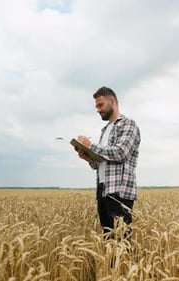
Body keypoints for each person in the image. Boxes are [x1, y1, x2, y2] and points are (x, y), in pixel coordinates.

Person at [75, 86, 141, 237]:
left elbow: (121, 152)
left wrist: (90, 145)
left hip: (119, 192)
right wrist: (88, 157)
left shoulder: (128, 124)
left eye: (100, 105)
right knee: (108, 240)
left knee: (122, 242)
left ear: (112, 101)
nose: (98, 109)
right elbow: (100, 163)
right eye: (96, 106)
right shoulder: (105, 130)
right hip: (103, 191)